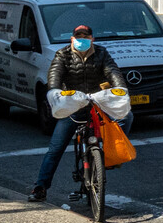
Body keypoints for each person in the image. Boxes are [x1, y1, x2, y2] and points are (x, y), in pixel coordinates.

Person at [30, 24, 121, 202]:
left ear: (92, 39)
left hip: (96, 104)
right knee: (56, 148)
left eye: (85, 37)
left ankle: (110, 157)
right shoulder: (62, 54)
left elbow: (114, 73)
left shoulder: (102, 53)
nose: (82, 40)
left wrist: (121, 89)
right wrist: (55, 91)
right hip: (72, 106)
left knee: (126, 117)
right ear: (72, 39)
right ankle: (40, 187)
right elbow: (54, 76)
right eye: (78, 37)